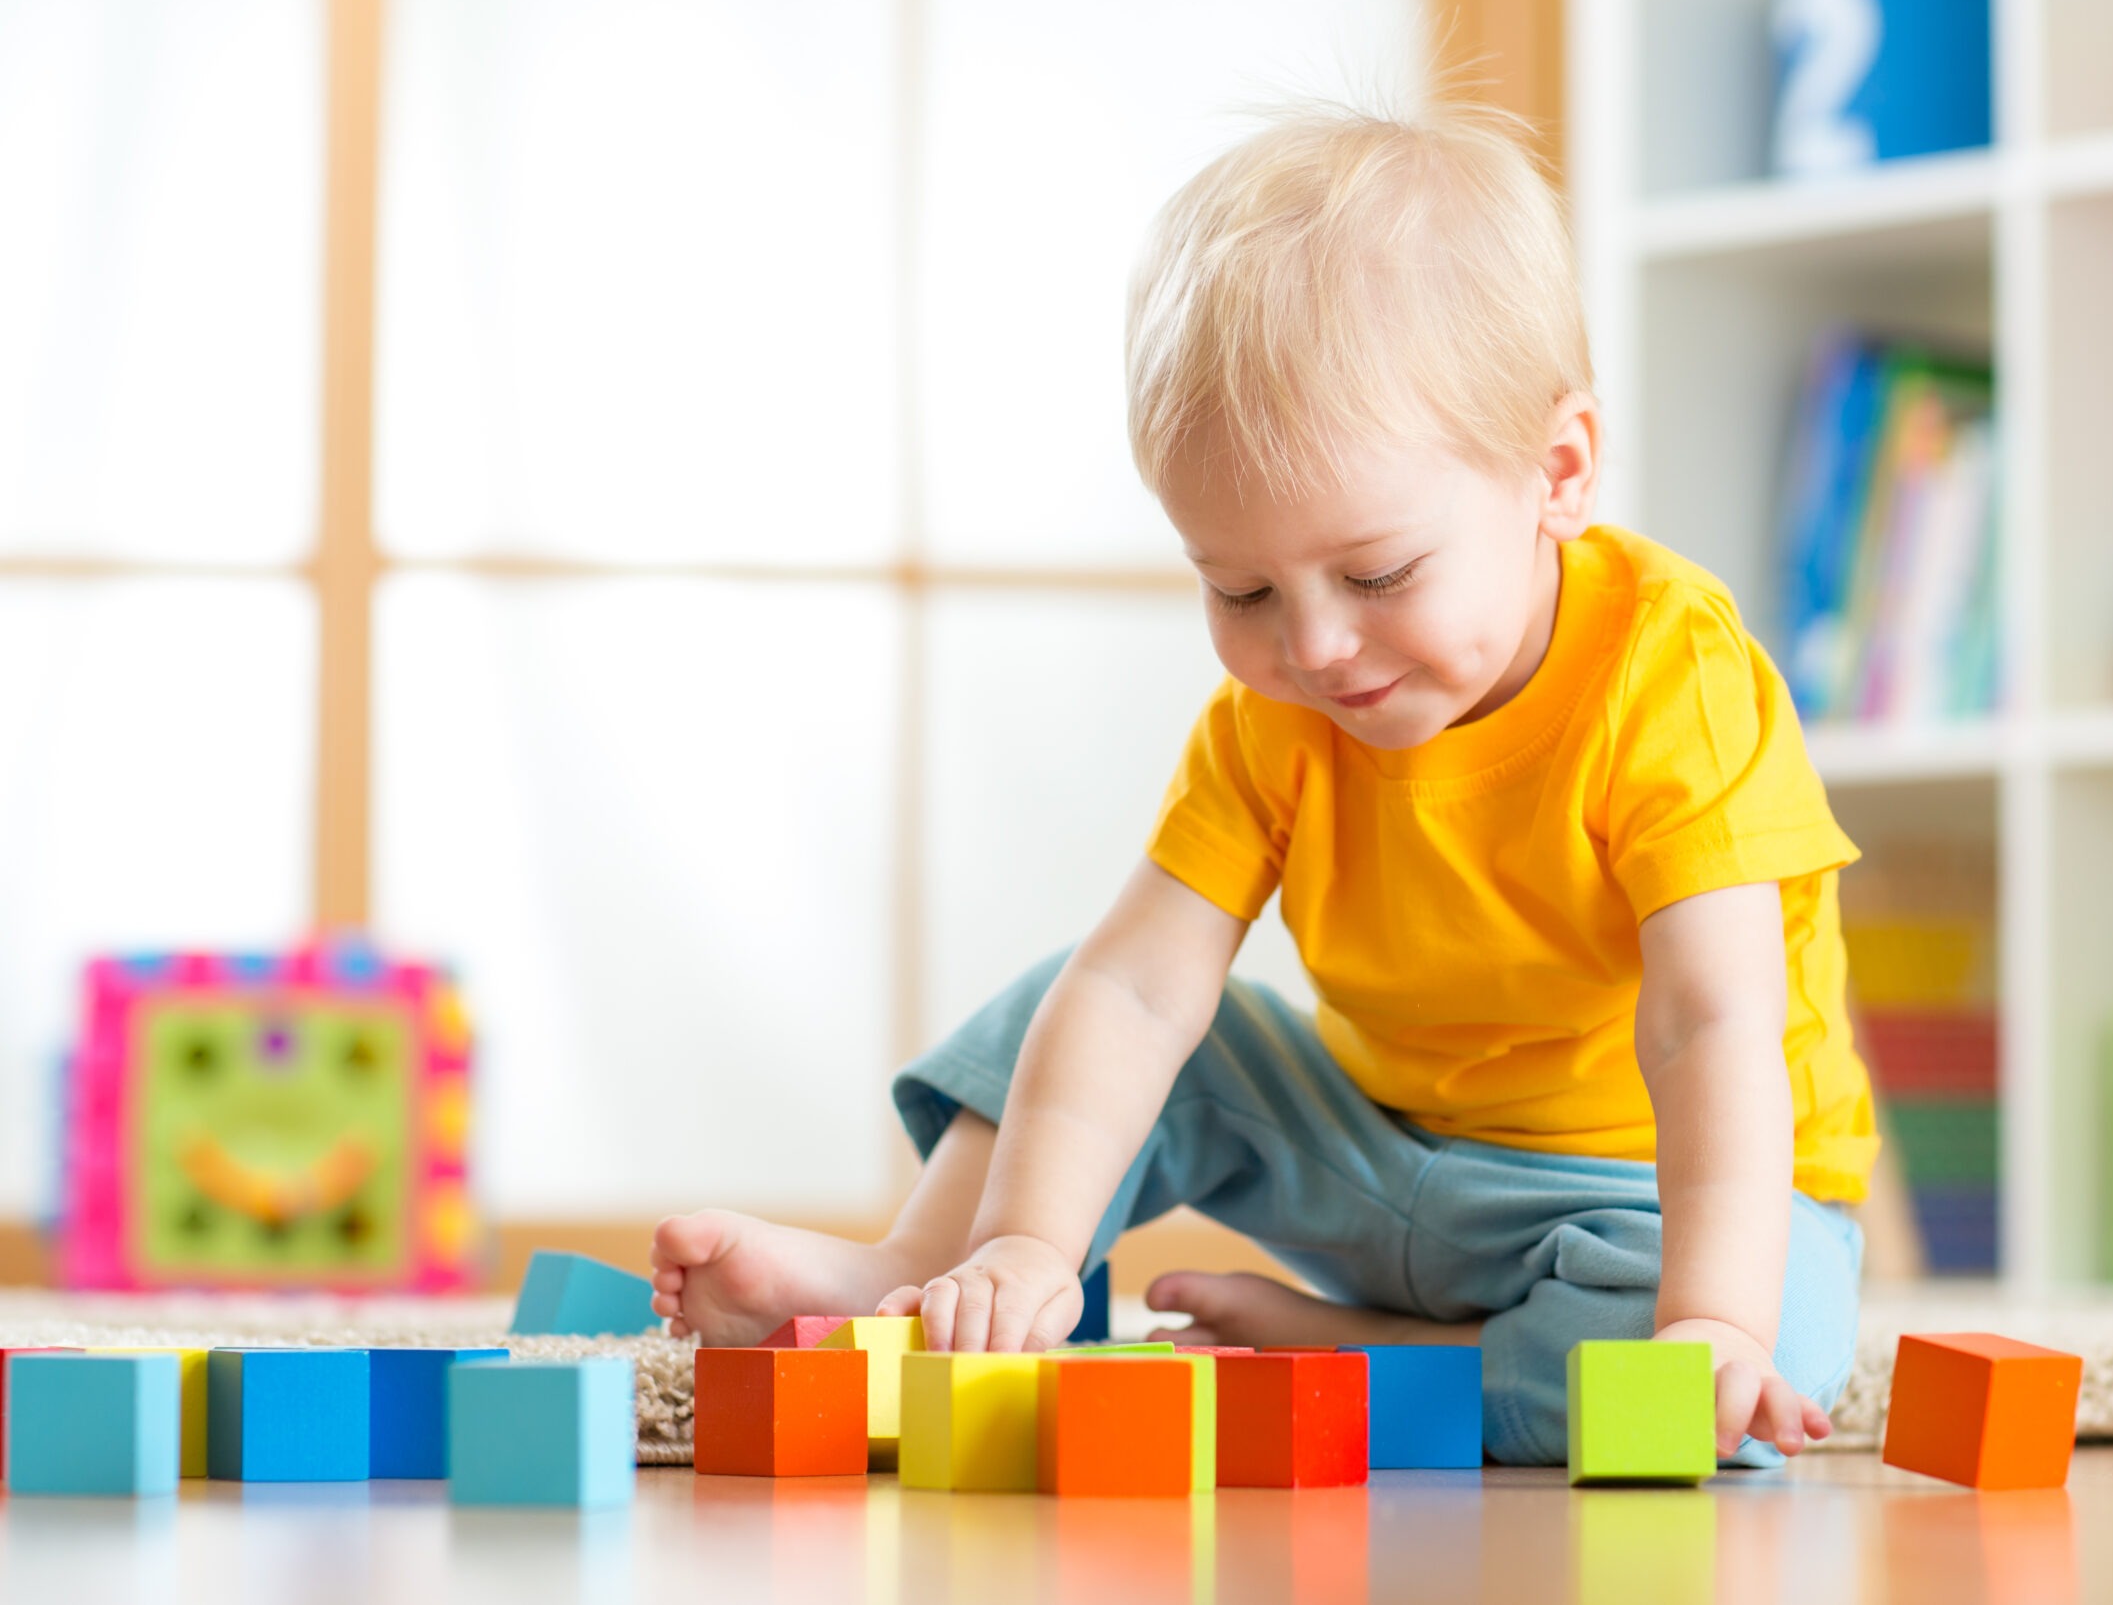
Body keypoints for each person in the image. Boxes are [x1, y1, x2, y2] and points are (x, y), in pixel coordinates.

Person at [651, 99, 1876, 1466]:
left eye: (1378, 574)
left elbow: (1713, 1026)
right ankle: (927, 1276)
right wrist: (1027, 1243)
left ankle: (1380, 1359)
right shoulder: (1276, 711)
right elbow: (1136, 986)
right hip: (1387, 1155)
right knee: (1082, 994)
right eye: (1239, 587)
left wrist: (1712, 1320)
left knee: (1749, 1361)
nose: (1314, 645)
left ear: (1558, 473)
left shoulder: (1671, 676)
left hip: (1642, 1194)